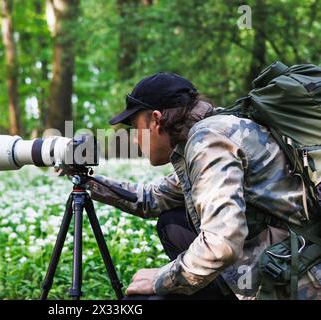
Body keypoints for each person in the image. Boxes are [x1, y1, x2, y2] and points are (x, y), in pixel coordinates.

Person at [87, 72, 321, 300]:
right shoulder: (212, 132)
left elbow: (222, 244)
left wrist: (161, 278)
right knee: (172, 221)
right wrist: (87, 181)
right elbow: (152, 199)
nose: (136, 139)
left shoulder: (208, 140)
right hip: (289, 254)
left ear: (156, 119)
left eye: (135, 127)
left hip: (299, 277)